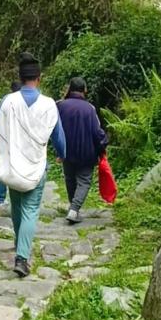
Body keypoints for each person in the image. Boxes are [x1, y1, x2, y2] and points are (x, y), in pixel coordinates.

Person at [0, 53, 66, 278]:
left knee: (17, 207)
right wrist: (62, 154)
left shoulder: (8, 101)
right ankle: (22, 257)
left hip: (12, 166)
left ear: (20, 78)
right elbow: (58, 135)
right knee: (30, 210)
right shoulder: (49, 104)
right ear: (39, 78)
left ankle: (19, 242)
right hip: (35, 167)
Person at [57, 76, 108, 225]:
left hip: (66, 150)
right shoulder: (89, 108)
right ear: (84, 89)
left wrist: (58, 149)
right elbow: (97, 132)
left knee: (70, 179)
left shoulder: (60, 105)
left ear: (70, 89)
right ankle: (74, 210)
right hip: (86, 151)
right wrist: (102, 146)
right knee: (84, 181)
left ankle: (73, 208)